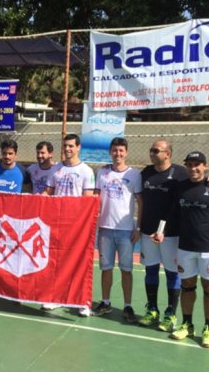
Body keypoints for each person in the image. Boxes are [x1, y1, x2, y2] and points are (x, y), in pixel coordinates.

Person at [138, 139, 209, 331]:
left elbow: (199, 180)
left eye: (156, 150)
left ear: (168, 154)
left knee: (171, 272)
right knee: (150, 270)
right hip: (147, 232)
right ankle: (152, 309)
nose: (152, 153)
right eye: (151, 150)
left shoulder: (181, 173)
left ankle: (170, 313)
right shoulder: (146, 173)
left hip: (172, 235)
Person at [168, 151, 209, 349]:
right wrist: (161, 232)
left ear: (205, 166)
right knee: (187, 286)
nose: (193, 168)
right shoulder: (181, 187)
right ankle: (187, 324)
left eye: (197, 165)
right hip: (185, 247)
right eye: (189, 164)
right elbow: (172, 214)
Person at [43, 133, 95, 317]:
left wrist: (79, 222)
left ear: (78, 147)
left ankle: (82, 301)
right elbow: (48, 193)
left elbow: (87, 202)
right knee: (56, 262)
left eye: (71, 146)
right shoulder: (56, 169)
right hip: (56, 223)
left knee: (79, 262)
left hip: (77, 225)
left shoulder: (86, 171)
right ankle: (54, 298)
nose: (67, 149)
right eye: (65, 146)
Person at [91, 137, 142, 323]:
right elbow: (95, 197)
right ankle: (105, 302)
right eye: (114, 150)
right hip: (104, 229)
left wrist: (138, 227)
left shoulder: (135, 174)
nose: (117, 154)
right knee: (106, 269)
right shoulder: (102, 172)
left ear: (126, 152)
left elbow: (140, 202)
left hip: (126, 231)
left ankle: (128, 306)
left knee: (126, 270)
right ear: (110, 152)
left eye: (121, 150)